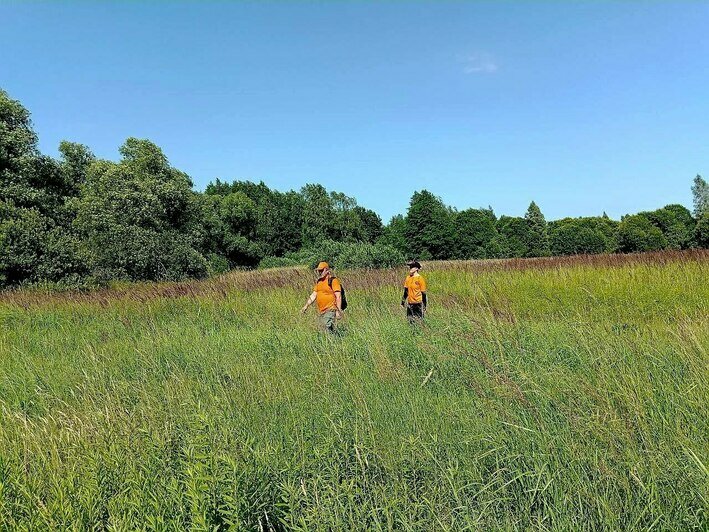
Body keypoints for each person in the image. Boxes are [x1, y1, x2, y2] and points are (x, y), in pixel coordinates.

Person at [301, 261, 343, 332]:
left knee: (324, 327)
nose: (320, 272)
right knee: (325, 329)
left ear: (326, 270)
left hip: (331, 309)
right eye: (318, 271)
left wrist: (338, 311)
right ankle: (335, 341)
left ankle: (330, 341)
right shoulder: (319, 281)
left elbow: (338, 297)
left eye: (321, 270)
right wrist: (306, 306)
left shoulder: (333, 281)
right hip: (322, 311)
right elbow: (314, 295)